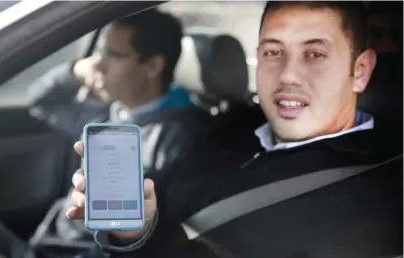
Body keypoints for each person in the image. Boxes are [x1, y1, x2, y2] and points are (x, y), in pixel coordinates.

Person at [66, 2, 403, 257]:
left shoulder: (379, 197)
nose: (287, 75)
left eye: (314, 54)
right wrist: (134, 231)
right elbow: (166, 221)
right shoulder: (231, 124)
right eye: (273, 52)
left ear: (360, 70)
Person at [29, 9, 214, 245]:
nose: (99, 65)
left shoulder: (182, 138)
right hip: (50, 240)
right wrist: (76, 70)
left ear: (153, 66)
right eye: (100, 53)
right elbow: (40, 101)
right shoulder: (108, 111)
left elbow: (157, 231)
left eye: (113, 55)